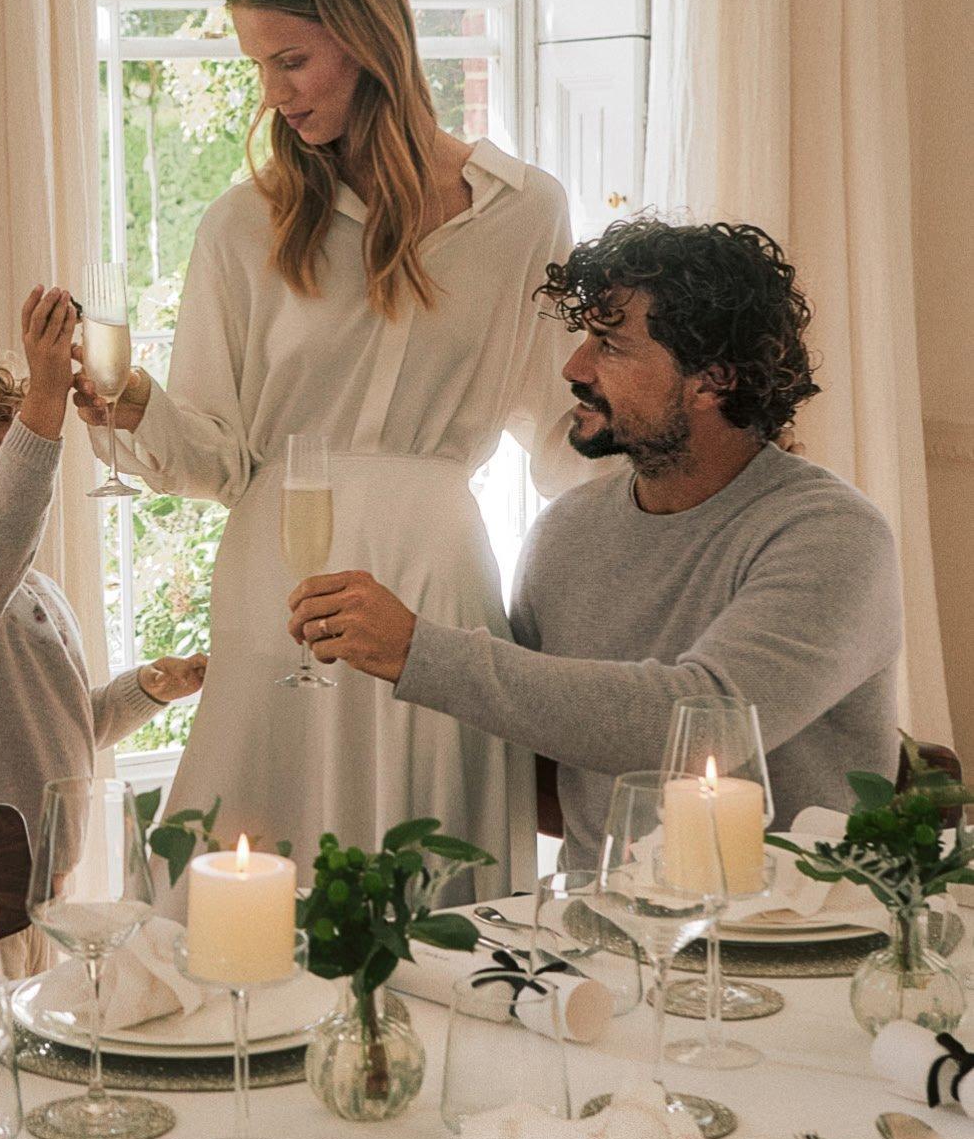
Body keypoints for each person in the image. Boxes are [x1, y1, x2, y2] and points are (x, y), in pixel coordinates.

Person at [72, 0, 586, 890]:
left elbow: (569, 441)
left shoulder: (528, 212)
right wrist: (135, 407)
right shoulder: (245, 224)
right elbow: (219, 458)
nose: (273, 94)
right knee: (258, 875)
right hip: (280, 583)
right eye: (258, 66)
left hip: (436, 581)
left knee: (436, 883)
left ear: (366, 36)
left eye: (292, 60)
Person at [287, 217, 902, 870]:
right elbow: (531, 747)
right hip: (597, 934)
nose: (575, 368)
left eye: (609, 345)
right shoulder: (568, 529)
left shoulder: (832, 535)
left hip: (794, 940)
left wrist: (418, 650)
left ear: (711, 380)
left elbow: (700, 726)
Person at [0, 288, 207, 840]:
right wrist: (46, 393)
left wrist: (147, 688)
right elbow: (9, 519)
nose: (5, 475)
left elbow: (71, 727)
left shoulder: (39, 592)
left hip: (41, 870)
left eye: (10, 456)